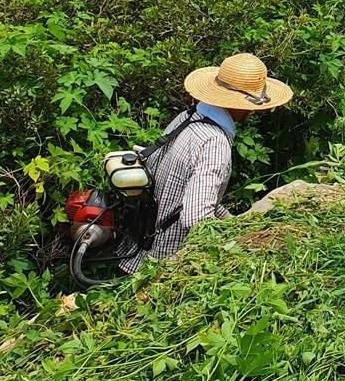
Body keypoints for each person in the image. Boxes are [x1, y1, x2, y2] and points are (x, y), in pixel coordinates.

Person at [119, 53, 293, 272]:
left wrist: (234, 224)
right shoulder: (214, 143)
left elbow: (194, 195)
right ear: (239, 104)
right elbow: (196, 217)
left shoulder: (188, 116)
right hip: (162, 262)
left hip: (138, 246)